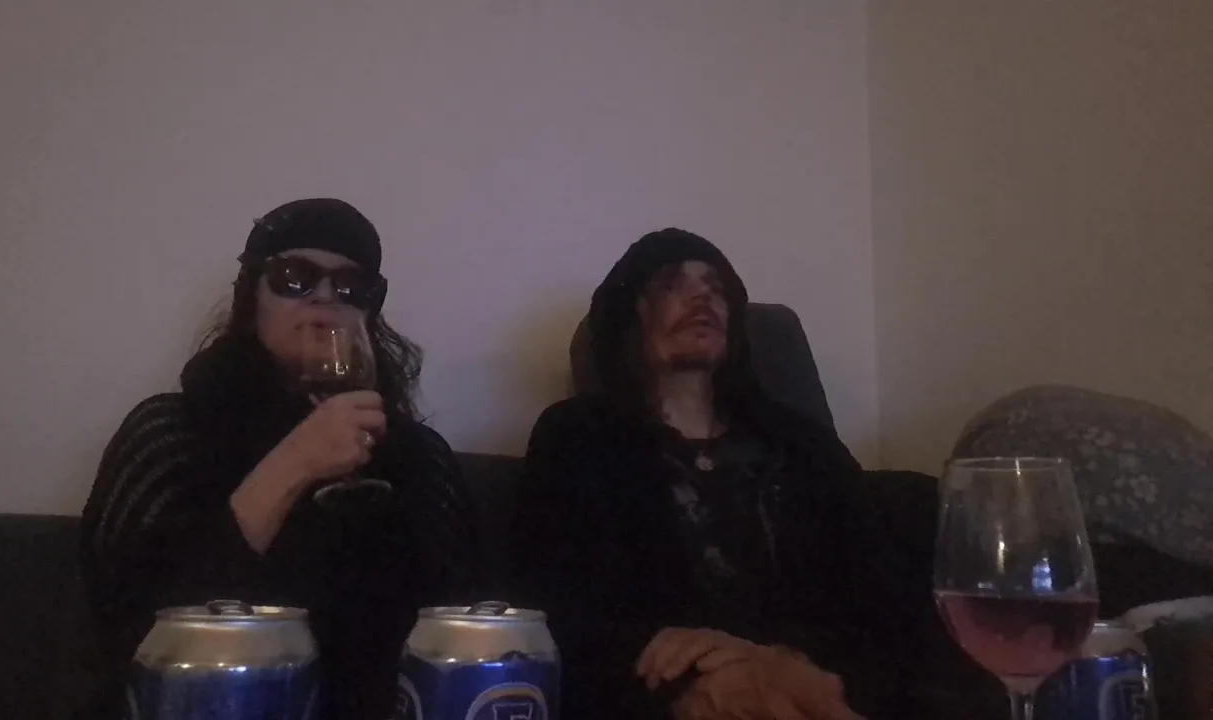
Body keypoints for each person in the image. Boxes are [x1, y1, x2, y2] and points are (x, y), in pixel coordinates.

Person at [510, 229, 987, 720]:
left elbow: (884, 601)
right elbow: (552, 610)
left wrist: (780, 663)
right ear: (628, 317)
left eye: (716, 288)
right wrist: (689, 684)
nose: (701, 297)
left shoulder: (805, 445)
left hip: (823, 690)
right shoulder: (576, 438)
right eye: (671, 284)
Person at [78, 198, 479, 720]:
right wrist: (294, 463)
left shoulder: (418, 456)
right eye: (295, 278)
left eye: (351, 287)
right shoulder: (171, 429)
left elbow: (464, 627)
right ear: (252, 300)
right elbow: (140, 633)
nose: (324, 299)